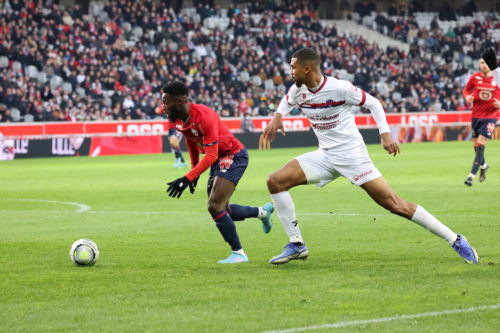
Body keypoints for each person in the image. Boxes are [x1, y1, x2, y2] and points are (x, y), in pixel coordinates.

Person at [263, 48, 478, 265]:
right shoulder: (298, 90)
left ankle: (455, 239)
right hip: (326, 156)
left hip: (353, 157)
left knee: (395, 204)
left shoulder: (340, 88)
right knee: (276, 181)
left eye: (293, 67)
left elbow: (373, 103)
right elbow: (287, 101)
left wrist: (385, 134)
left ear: (306, 68)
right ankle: (297, 245)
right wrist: (278, 116)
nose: (290, 70)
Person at [162, 81, 274, 264]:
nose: (163, 107)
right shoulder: (179, 120)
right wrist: (194, 171)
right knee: (223, 210)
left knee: (214, 206)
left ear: (180, 101)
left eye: (166, 102)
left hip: (233, 155)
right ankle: (262, 212)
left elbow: (212, 153)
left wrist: (187, 178)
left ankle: (239, 254)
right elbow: (191, 141)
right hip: (216, 160)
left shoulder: (204, 116)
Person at [462, 57, 500, 186]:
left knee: (480, 146)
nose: (484, 65)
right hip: (476, 116)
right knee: (476, 146)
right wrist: (467, 96)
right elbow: (466, 89)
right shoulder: (475, 77)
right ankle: (484, 166)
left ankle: (470, 176)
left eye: (487, 63)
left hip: (491, 117)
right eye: (482, 62)